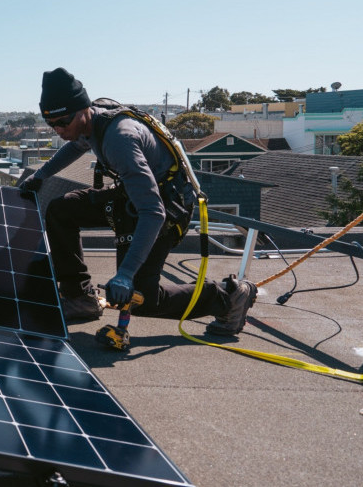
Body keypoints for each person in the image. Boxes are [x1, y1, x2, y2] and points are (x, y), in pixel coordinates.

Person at [18, 67, 257, 335]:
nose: (59, 130)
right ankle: (79, 297)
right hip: (135, 197)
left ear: (83, 109)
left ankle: (227, 297)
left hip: (167, 208)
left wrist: (126, 274)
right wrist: (41, 176)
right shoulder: (92, 119)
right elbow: (77, 143)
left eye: (63, 122)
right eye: (52, 124)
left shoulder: (119, 140)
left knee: (140, 297)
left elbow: (153, 212)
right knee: (62, 210)